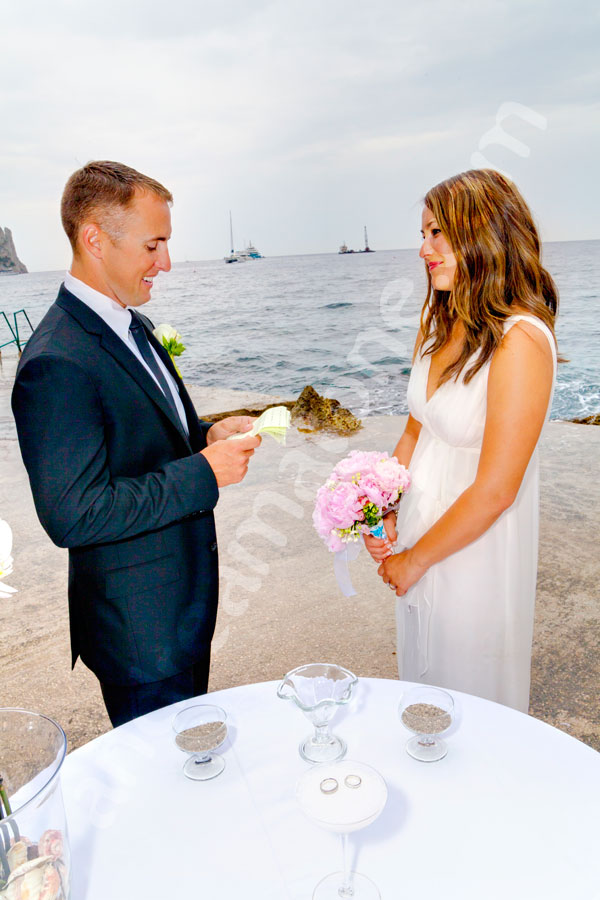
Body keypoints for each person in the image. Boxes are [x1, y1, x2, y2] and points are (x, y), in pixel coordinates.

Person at [12, 160, 261, 727]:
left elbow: (140, 438)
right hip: (139, 632)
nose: (166, 263)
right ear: (95, 239)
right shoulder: (56, 362)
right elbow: (73, 515)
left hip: (178, 609)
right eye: (154, 245)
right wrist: (205, 471)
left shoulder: (132, 325)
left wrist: (206, 436)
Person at [364, 169, 558, 712]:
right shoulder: (439, 321)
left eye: (436, 233)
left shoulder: (521, 341)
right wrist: (382, 510)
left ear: (483, 234)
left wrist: (415, 560)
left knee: (469, 696)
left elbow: (497, 489)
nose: (423, 248)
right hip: (423, 534)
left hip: (474, 549)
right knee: (423, 689)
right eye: (423, 233)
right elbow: (414, 428)